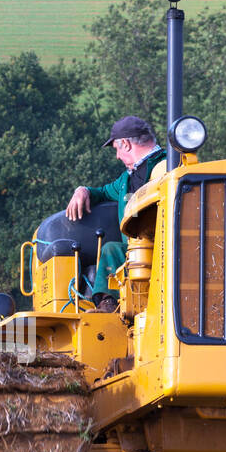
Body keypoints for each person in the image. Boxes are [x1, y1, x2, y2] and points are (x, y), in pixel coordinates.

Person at [65, 116, 166, 310]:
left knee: (110, 249)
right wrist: (82, 190)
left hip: (165, 250)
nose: (118, 156)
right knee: (114, 250)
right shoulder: (125, 181)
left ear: (126, 145)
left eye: (117, 150)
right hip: (134, 255)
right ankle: (108, 303)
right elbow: (102, 192)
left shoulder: (169, 165)